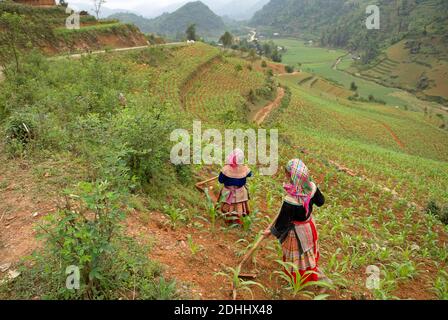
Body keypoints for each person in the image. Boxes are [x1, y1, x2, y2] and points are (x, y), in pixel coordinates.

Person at [264, 159, 329, 284]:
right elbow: (321, 202)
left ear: (290, 175)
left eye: (286, 173)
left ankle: (304, 280)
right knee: (308, 252)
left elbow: (282, 223)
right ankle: (310, 275)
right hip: (309, 227)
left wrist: (270, 232)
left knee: (298, 257)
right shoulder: (311, 187)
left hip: (296, 232)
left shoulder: (291, 200)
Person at [218, 148, 252, 225]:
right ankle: (239, 218)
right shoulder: (244, 168)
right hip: (240, 192)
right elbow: (250, 174)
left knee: (228, 205)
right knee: (239, 205)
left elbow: (220, 180)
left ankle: (228, 217)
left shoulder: (225, 169)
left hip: (228, 192)